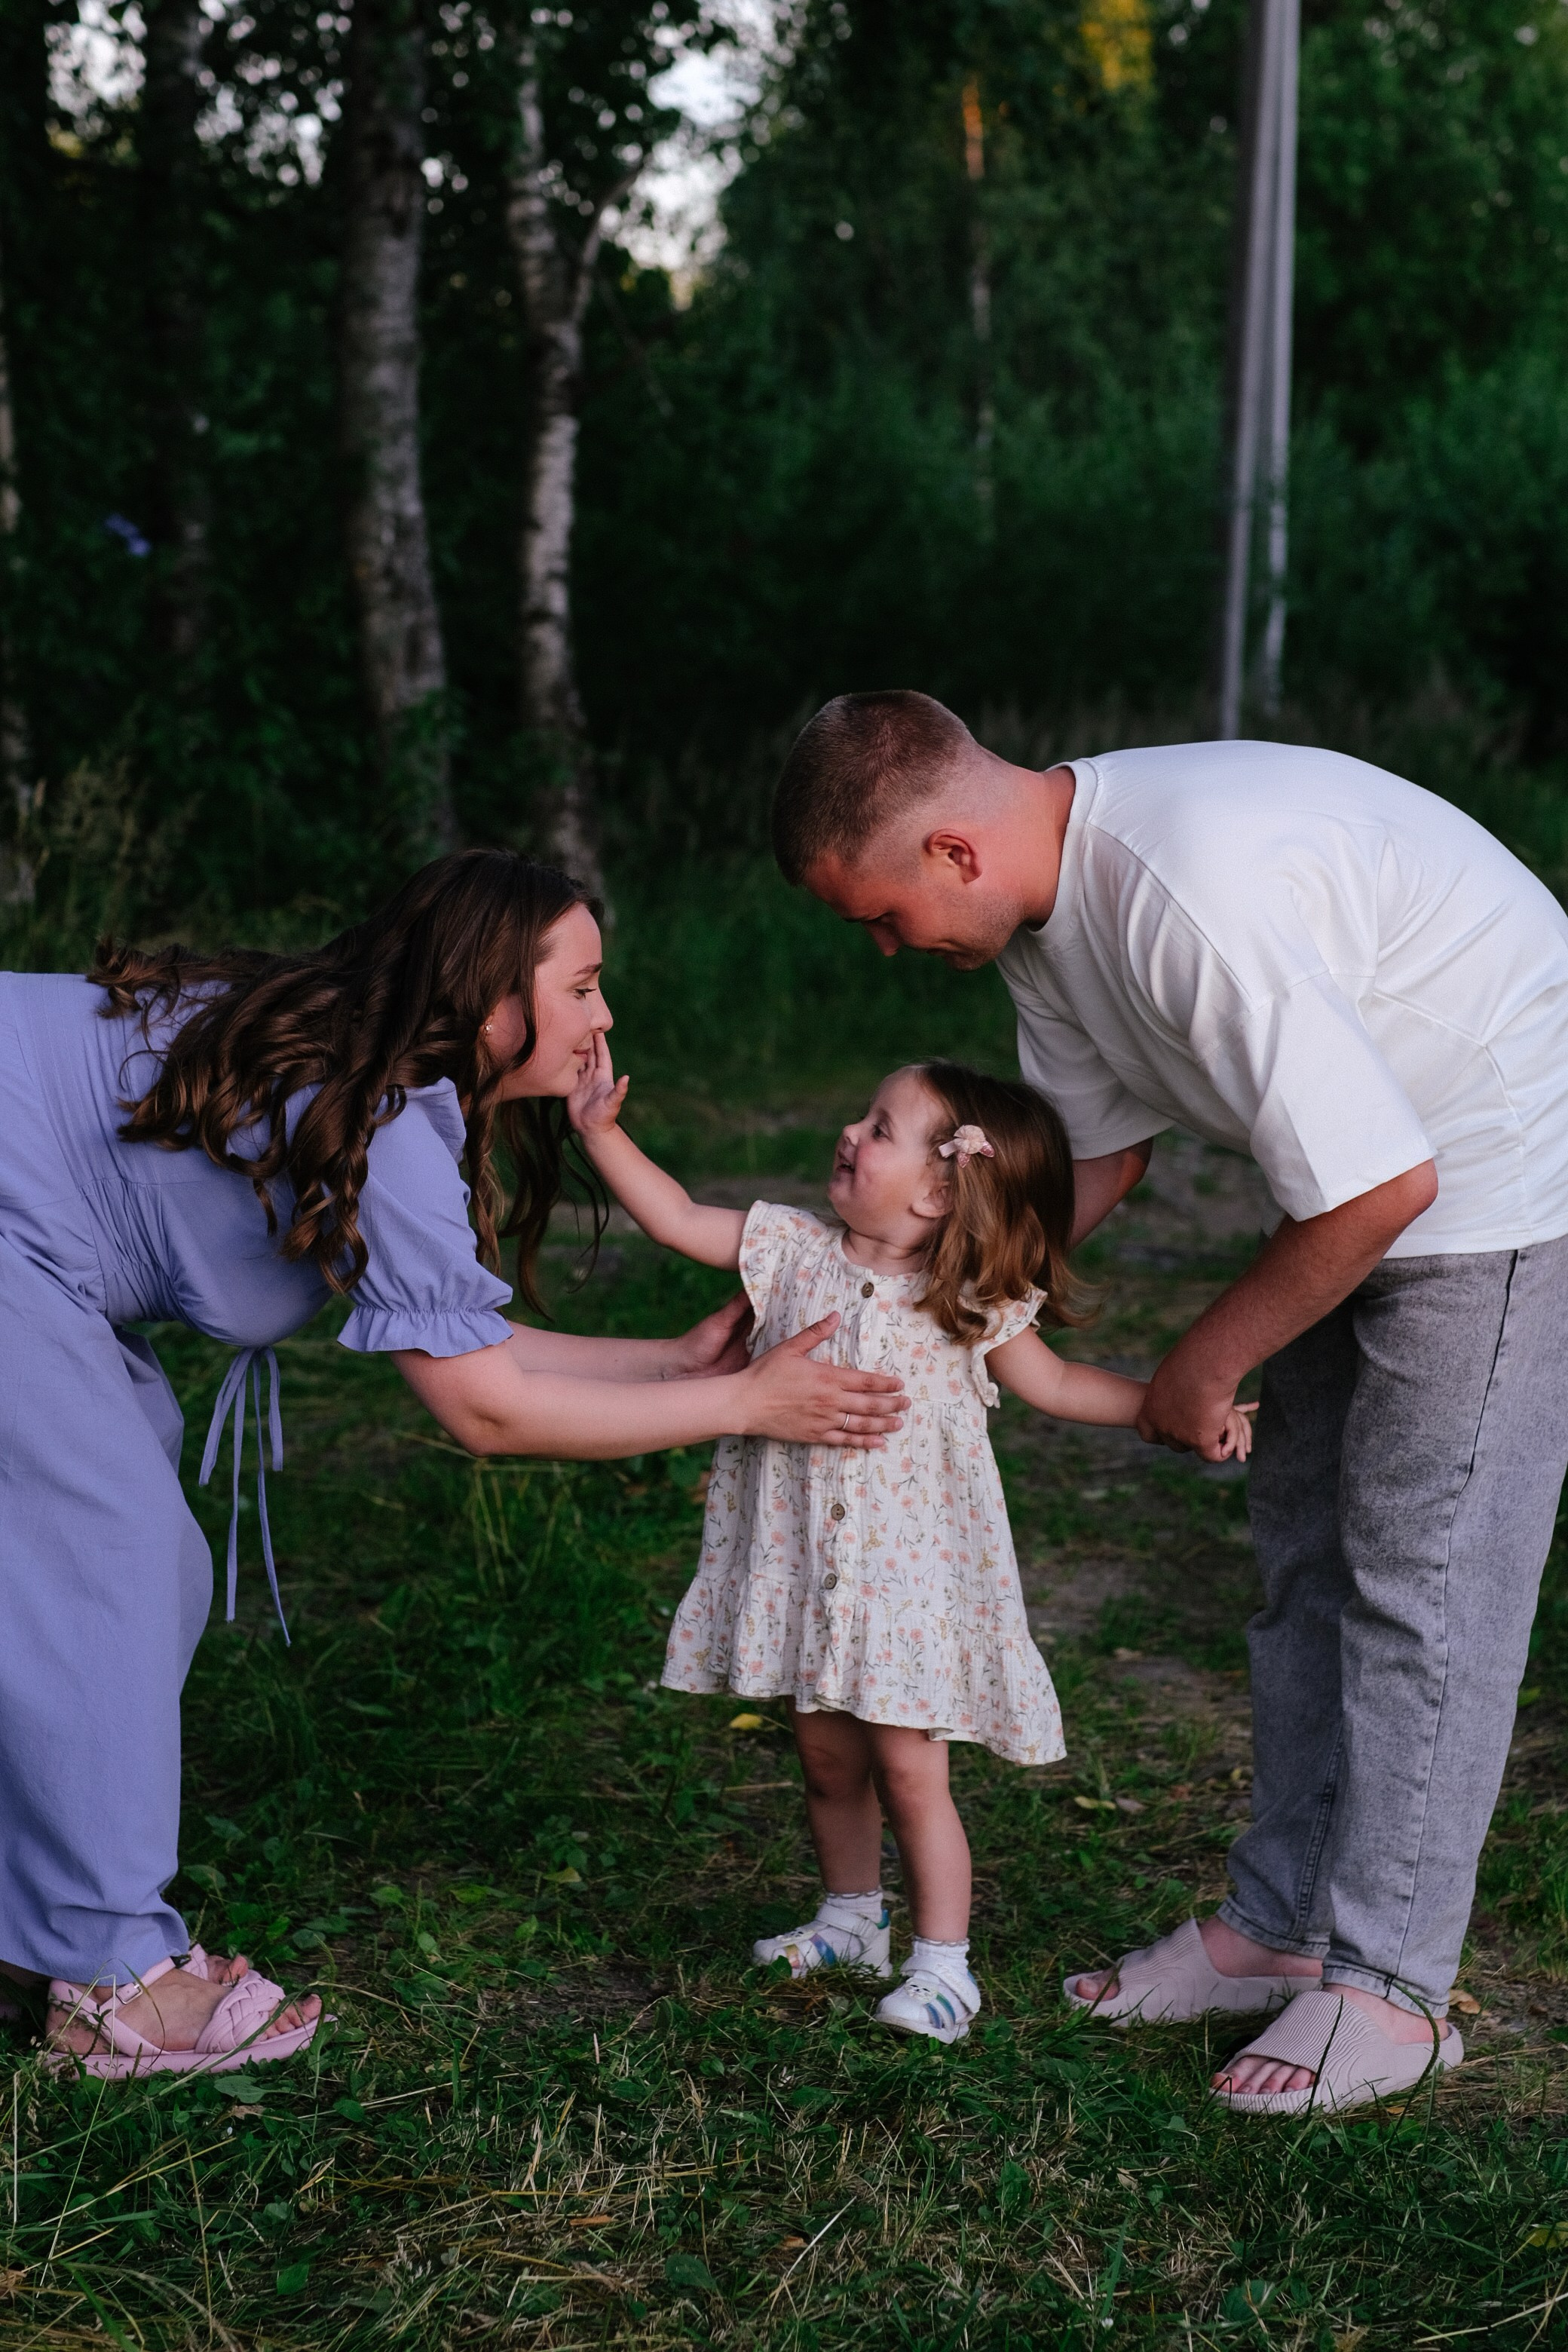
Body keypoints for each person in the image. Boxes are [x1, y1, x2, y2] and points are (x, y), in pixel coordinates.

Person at [775, 691, 1568, 2115]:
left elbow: (1388, 1186)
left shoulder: (1183, 898)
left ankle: (1391, 1995)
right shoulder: (1037, 924)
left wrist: (1202, 1362)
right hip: (1362, 1174)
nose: (887, 950)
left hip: (1511, 1158)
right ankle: (1277, 1930)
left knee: (1423, 1577)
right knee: (1308, 1550)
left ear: (953, 850)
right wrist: (935, 1298)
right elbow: (1095, 1163)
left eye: (881, 916)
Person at [0, 850, 908, 2079]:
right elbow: (483, 1413)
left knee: (131, 1561)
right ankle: (111, 1983)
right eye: (581, 987)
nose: (602, 1016)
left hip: (34, 1248)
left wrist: (675, 1364)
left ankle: (52, 1915)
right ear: (492, 996)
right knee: (105, 1550)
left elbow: (466, 1344)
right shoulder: (376, 1109)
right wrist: (743, 1400)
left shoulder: (372, 1069)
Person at [567, 1043, 1251, 2042]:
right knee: (826, 1760)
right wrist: (599, 1131)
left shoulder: (965, 1298)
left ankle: (945, 1968)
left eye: (880, 1129)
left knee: (910, 1772)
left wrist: (1174, 1407)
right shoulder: (793, 1251)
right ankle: (852, 1919)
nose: (850, 1132)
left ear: (941, 1194)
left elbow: (1058, 1386)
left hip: (907, 1587)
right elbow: (673, 1215)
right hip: (809, 1568)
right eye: (864, 1115)